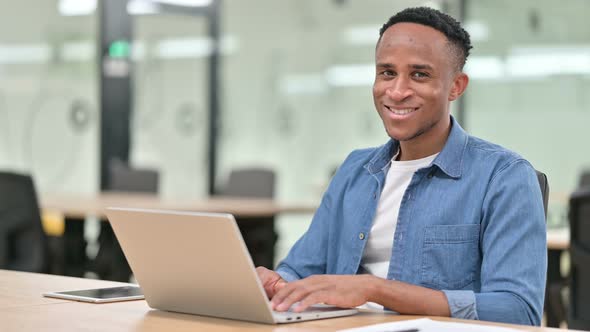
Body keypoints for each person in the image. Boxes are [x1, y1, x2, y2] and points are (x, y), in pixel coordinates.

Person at [256, 6, 547, 326]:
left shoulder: (504, 177)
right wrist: (276, 283)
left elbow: (518, 309)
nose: (396, 91)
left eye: (419, 74)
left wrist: (375, 289)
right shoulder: (356, 169)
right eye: (387, 72)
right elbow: (300, 269)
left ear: (456, 86)